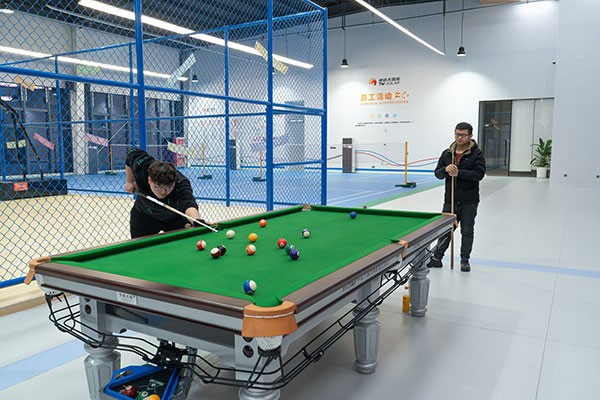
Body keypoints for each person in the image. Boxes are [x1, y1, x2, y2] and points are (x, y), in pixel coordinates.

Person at [427, 122, 486, 272]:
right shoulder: (447, 153)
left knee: (467, 231)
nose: (459, 138)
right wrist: (445, 169)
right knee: (445, 230)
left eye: (463, 135)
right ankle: (437, 258)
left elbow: (479, 174)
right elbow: (437, 173)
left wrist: (459, 173)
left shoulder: (476, 154)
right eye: (457, 134)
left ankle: (465, 260)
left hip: (469, 200)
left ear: (470, 136)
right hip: (450, 199)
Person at [125, 148, 204, 238]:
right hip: (144, 215)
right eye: (158, 187)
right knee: (139, 245)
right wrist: (130, 181)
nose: (163, 192)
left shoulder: (181, 183)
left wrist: (196, 220)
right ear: (149, 180)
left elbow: (188, 203)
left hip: (173, 219)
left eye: (169, 187)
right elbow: (131, 155)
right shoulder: (142, 167)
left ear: (174, 182)